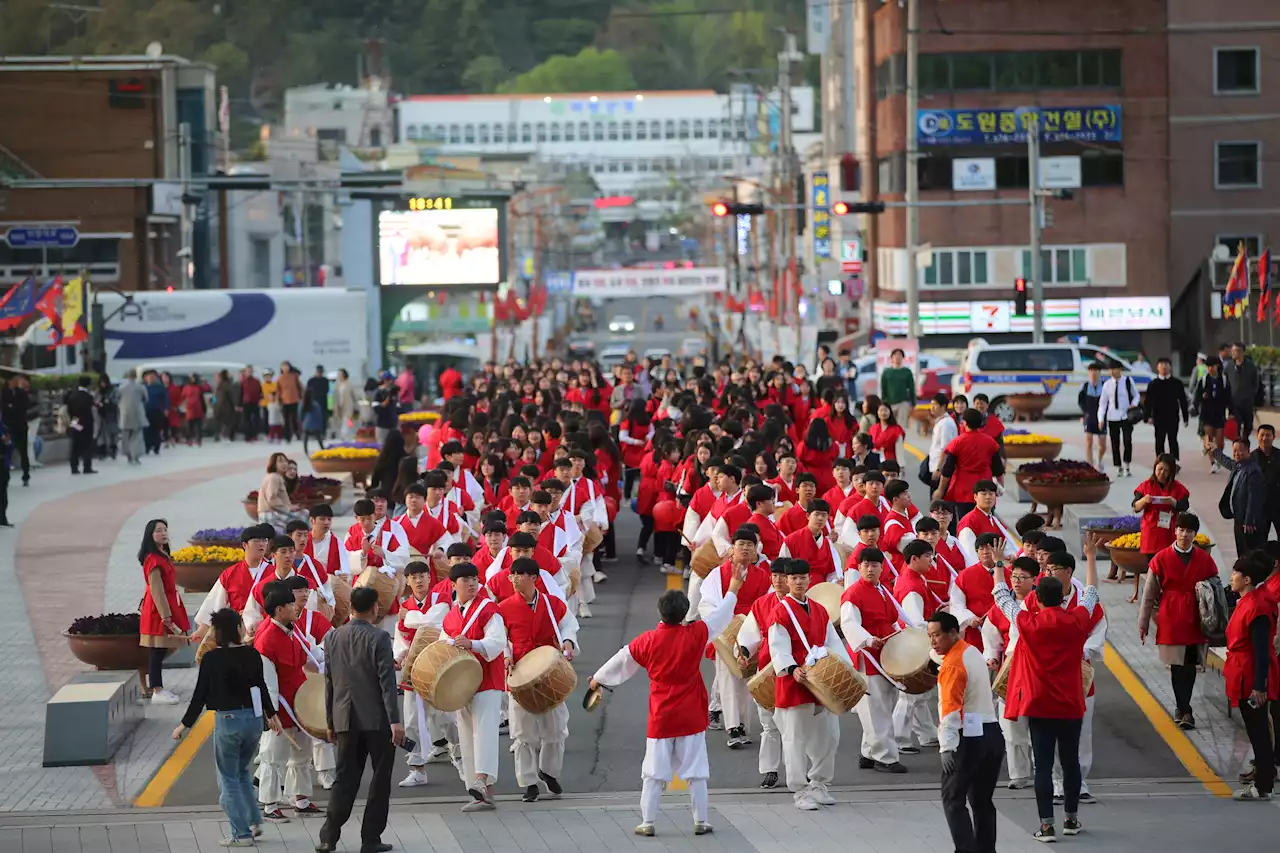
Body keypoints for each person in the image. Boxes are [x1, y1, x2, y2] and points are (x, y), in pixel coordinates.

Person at [589, 565, 745, 836]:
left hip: (661, 713)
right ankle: (701, 820)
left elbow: (621, 661)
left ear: (660, 612)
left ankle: (647, 822)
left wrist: (598, 680)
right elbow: (721, 616)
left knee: (653, 772)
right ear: (685, 613)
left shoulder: (648, 640)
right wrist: (734, 586)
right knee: (696, 770)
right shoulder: (696, 634)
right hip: (692, 711)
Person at [992, 538, 1100, 842]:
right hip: (1070, 702)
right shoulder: (1078, 619)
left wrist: (1000, 565)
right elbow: (1091, 594)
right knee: (1070, 762)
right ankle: (1071, 819)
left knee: (1042, 765)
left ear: (1037, 598)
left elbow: (1002, 598)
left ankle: (1047, 826)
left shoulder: (1028, 622)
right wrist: (1090, 558)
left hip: (1039, 702)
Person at [173, 608, 280, 847]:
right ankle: (254, 821)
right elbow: (260, 686)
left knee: (228, 779)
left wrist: (184, 725)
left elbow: (199, 695)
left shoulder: (211, 658)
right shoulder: (252, 654)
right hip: (253, 722)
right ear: (238, 629)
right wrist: (271, 714)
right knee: (242, 772)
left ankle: (241, 834)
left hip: (228, 722)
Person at [315, 585, 403, 853]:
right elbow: (387, 684)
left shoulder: (333, 638)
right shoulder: (380, 638)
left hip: (344, 719)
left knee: (345, 779)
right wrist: (395, 721)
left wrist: (330, 721)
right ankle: (370, 838)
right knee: (379, 780)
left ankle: (329, 837)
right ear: (375, 607)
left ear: (351, 607)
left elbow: (329, 683)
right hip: (377, 720)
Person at [767, 558, 854, 810]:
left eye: (803, 577)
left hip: (822, 681)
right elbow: (777, 646)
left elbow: (833, 643)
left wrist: (844, 668)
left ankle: (819, 783)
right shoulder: (781, 611)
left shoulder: (819, 610)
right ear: (786, 581)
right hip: (795, 682)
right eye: (793, 578)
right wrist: (792, 669)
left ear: (809, 580)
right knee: (796, 738)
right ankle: (799, 790)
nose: (798, 582)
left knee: (829, 736)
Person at [498, 557, 579, 802]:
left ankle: (549, 771)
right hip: (520, 673)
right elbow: (502, 639)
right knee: (523, 733)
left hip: (549, 670)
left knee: (556, 728)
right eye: (512, 575)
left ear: (534, 578)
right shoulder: (503, 608)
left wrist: (568, 641)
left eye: (519, 575)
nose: (514, 579)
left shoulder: (553, 604)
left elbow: (568, 626)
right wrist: (506, 656)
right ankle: (529, 782)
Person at [930, 610, 1003, 853]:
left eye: (937, 636)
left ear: (953, 633)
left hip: (968, 739)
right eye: (930, 636)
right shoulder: (971, 651)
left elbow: (950, 711)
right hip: (992, 733)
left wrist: (946, 747)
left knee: (953, 800)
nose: (933, 641)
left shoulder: (952, 665)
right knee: (982, 801)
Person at [1139, 513, 1218, 730]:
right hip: (1171, 617)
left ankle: (1185, 709)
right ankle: (1183, 708)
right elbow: (1148, 594)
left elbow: (1216, 587)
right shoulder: (1161, 558)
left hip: (1195, 617)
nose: (1184, 535)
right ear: (1175, 530)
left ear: (1195, 534)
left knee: (1189, 666)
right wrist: (1143, 622)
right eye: (1181, 530)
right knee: (1176, 666)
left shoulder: (1204, 559)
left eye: (1189, 531)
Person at [440, 561, 508, 811]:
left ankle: (482, 780)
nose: (471, 583)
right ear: (453, 584)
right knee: (467, 735)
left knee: (485, 731)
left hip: (487, 678)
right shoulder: (450, 615)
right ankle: (481, 792)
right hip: (462, 683)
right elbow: (441, 645)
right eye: (465, 579)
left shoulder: (489, 609)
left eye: (474, 579)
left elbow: (497, 641)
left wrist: (472, 644)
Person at [254, 586, 319, 820]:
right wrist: (271, 714)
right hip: (281, 706)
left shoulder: (294, 630)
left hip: (300, 702)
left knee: (302, 754)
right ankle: (270, 805)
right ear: (280, 610)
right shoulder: (266, 641)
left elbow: (312, 655)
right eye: (292, 604)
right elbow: (268, 683)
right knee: (273, 756)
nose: (296, 607)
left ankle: (300, 799)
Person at [841, 548, 908, 774]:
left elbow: (894, 618)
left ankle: (868, 753)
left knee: (883, 705)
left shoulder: (884, 590)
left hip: (887, 652)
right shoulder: (853, 594)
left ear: (882, 567)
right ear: (859, 567)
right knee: (875, 708)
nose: (870, 569)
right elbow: (849, 624)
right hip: (868, 656)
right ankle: (885, 757)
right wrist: (868, 640)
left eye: (875, 565)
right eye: (866, 565)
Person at [1223, 556, 1278, 801]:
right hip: (1243, 670)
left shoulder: (1257, 607)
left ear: (1247, 580)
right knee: (1256, 731)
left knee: (1258, 733)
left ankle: (1263, 784)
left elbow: (1261, 651)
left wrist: (1259, 686)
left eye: (1235, 573)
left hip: (1250, 676)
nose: (1231, 577)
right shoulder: (1249, 601)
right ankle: (1263, 781)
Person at [138, 519, 190, 704]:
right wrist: (166, 616)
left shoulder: (162, 555)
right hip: (157, 612)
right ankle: (157, 691)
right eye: (158, 530)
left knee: (159, 651)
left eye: (165, 529)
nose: (164, 533)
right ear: (150, 536)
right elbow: (156, 590)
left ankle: (157, 689)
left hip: (165, 607)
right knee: (157, 651)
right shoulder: (153, 560)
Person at [1219, 438, 1267, 557]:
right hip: (1238, 518)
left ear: (1248, 451)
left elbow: (1254, 498)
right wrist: (1214, 451)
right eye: (1234, 451)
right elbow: (1226, 461)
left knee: (1249, 553)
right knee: (1241, 551)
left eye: (1240, 451)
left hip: (1247, 522)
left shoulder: (1253, 471)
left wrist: (1249, 520)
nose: (1237, 454)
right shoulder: (1238, 466)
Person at [1097, 362, 1139, 478]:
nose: (1112, 372)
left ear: (1120, 369)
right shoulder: (1107, 385)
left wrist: (1133, 404)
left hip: (1126, 416)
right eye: (1110, 369)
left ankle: (1127, 465)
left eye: (1114, 369)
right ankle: (1118, 466)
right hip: (1112, 417)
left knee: (1127, 441)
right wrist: (1101, 419)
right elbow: (1102, 404)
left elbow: (1136, 395)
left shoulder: (1128, 381)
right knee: (1115, 443)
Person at [1145, 357, 1189, 461]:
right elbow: (1148, 402)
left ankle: (1175, 461)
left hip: (1172, 416)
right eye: (1161, 365)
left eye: (1166, 364)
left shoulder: (1177, 383)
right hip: (1158, 417)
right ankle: (1160, 461)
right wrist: (1148, 416)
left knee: (1173, 439)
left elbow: (1183, 400)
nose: (1164, 367)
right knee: (1159, 440)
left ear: (1170, 367)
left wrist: (1185, 417)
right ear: (1157, 367)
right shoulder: (1153, 384)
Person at [1195, 357, 1230, 472]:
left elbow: (1229, 397)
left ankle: (1218, 457)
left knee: (1220, 441)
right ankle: (1212, 462)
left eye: (1212, 366)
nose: (1210, 368)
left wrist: (1232, 411)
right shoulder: (1204, 380)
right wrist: (1201, 399)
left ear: (1217, 366)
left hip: (1219, 413)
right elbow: (1197, 396)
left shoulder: (1224, 380)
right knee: (1209, 438)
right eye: (1208, 366)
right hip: (1207, 413)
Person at [259, 452, 306, 531]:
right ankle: (307, 540)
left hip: (274, 513)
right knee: (304, 515)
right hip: (271, 514)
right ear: (274, 464)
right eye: (280, 461)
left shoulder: (275, 476)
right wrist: (288, 508)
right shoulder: (274, 477)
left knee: (303, 515)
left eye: (285, 461)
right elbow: (272, 498)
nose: (284, 464)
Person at [2, 376, 35, 485]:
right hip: (8, 426)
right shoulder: (4, 392)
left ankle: (26, 475)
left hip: (20, 425)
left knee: (23, 451)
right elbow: (4, 407)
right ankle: (5, 476)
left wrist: (11, 407)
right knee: (6, 451)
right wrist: (11, 407)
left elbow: (24, 406)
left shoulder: (21, 393)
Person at [1225, 342, 1260, 440]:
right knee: (1235, 426)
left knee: (1248, 425)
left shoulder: (1250, 366)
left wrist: (1251, 395)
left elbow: (1256, 383)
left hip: (1247, 402)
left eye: (1237, 351)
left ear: (1242, 352)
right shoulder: (1229, 366)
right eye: (1233, 351)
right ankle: (1237, 446)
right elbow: (1225, 382)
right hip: (1233, 402)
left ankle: (1245, 441)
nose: (1234, 353)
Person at [1077, 362, 1107, 472]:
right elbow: (1080, 401)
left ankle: (1099, 461)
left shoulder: (1104, 386)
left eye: (1096, 371)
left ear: (1100, 373)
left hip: (1101, 417)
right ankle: (1090, 465)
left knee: (1102, 445)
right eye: (1091, 371)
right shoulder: (1085, 386)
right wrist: (1085, 413)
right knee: (1089, 442)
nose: (1093, 373)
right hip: (1089, 417)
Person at [1252, 424, 1280, 540]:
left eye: (1268, 435)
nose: (1264, 438)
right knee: (1260, 539)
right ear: (1257, 436)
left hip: (1278, 504)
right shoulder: (1252, 458)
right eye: (1262, 435)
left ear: (1274, 437)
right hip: (1261, 506)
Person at [65, 376, 96, 474]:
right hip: (86, 422)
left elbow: (68, 409)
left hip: (75, 421)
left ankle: (74, 467)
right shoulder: (88, 397)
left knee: (75, 444)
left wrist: (73, 419)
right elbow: (89, 410)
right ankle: (87, 466)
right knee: (87, 444)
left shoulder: (72, 396)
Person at [879, 348, 915, 433]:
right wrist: (883, 402)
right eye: (895, 355)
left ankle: (900, 441)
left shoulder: (907, 371)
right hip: (889, 402)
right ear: (891, 358)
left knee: (901, 425)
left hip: (903, 401)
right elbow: (883, 387)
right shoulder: (887, 372)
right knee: (889, 424)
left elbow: (911, 387)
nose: (897, 357)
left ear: (903, 358)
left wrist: (913, 403)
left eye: (900, 355)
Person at [117, 368, 147, 465]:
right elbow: (146, 399)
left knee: (125, 437)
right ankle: (136, 456)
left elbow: (117, 399)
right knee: (137, 437)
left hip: (125, 414)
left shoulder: (121, 387)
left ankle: (128, 455)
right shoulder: (141, 387)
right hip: (137, 414)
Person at [331, 368, 357, 440]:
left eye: (340, 373)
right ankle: (347, 433)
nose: (339, 375)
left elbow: (353, 395)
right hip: (339, 406)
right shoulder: (337, 384)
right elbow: (334, 396)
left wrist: (356, 405)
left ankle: (345, 434)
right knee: (343, 421)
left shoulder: (349, 383)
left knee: (347, 420)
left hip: (348, 405)